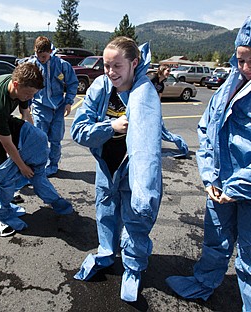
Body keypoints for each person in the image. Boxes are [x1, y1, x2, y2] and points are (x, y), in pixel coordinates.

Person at [166, 7, 251, 311]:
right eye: (240, 59)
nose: (247, 67)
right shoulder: (231, 81)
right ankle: (203, 283)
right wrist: (210, 174)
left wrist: (237, 185)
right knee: (215, 241)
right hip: (221, 186)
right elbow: (207, 127)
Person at [71, 37, 162, 305]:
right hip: (105, 167)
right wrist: (110, 127)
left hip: (132, 171)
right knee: (106, 214)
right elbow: (78, 130)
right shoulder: (100, 87)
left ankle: (133, 268)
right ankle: (107, 253)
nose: (110, 72)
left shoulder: (144, 93)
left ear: (134, 63)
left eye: (117, 66)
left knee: (135, 222)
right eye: (106, 65)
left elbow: (150, 145)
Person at [0, 62, 73, 237]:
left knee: (38, 138)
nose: (29, 97)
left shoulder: (21, 91)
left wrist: (34, 136)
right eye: (28, 94)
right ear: (16, 84)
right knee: (2, 172)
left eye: (33, 94)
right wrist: (23, 167)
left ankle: (37, 197)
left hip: (2, 121)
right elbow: (7, 144)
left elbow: (26, 115)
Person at [27, 36, 79, 176]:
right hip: (39, 107)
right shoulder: (32, 65)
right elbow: (25, 85)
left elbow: (72, 83)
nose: (41, 59)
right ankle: (39, 165)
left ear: (50, 51)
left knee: (55, 139)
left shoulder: (62, 65)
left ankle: (53, 165)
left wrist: (68, 101)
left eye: (44, 56)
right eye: (39, 56)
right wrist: (26, 106)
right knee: (40, 138)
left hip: (58, 108)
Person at [150, 64, 189, 157]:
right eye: (167, 71)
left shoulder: (161, 85)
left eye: (169, 71)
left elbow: (158, 99)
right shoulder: (152, 78)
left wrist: (157, 112)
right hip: (145, 106)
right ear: (162, 70)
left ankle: (179, 144)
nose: (169, 73)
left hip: (152, 109)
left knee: (160, 129)